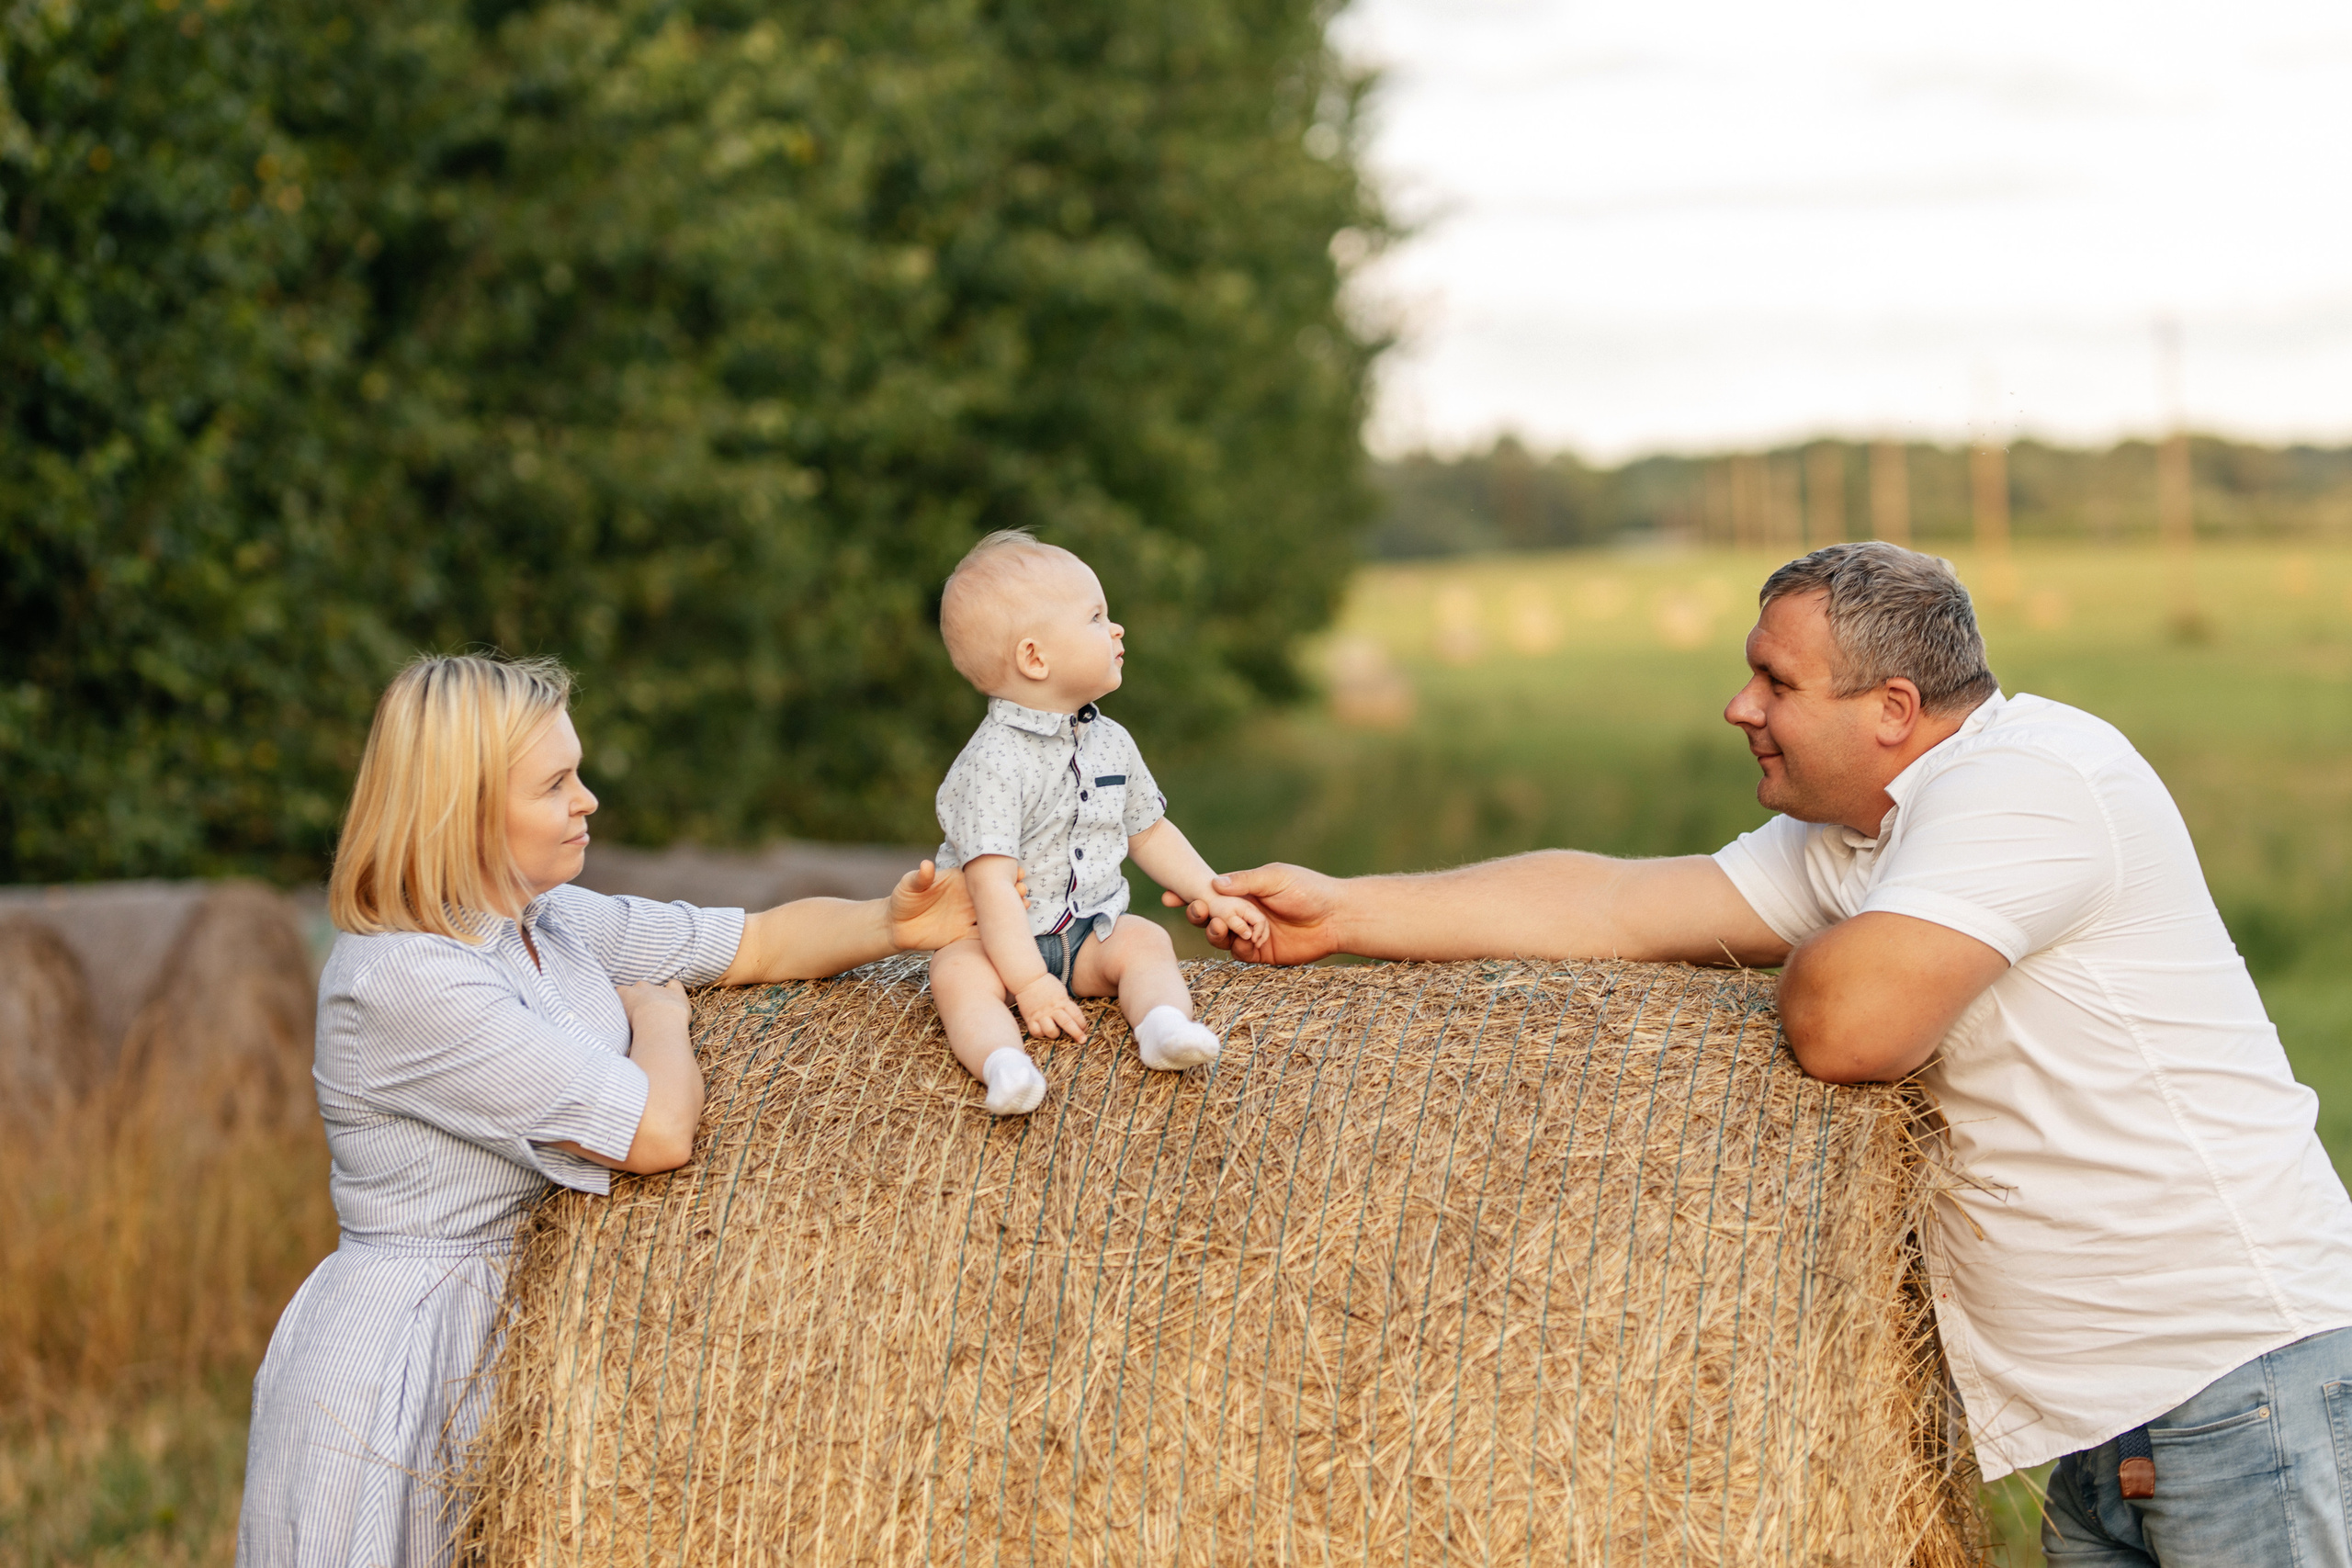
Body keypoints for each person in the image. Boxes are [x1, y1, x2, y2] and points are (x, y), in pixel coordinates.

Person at [1179, 542, 2352, 1566]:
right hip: (2116, 1421)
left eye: (1775, 681)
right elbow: (1616, 906)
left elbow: (1848, 1028)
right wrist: (1348, 911)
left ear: (1891, 707)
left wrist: (1807, 957)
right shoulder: (1863, 832)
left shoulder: (2027, 784)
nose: (1740, 706)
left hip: (2241, 1384)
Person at [236, 653, 983, 1568]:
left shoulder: (547, 921)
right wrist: (661, 1019)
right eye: (555, 784)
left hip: (525, 1331)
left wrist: (893, 924)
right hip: (407, 1365)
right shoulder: (406, 977)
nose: (587, 800)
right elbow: (655, 1132)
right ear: (463, 809)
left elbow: (752, 941)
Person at [925, 530, 1268, 1114]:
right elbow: (991, 886)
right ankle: (1004, 1065)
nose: (1117, 629)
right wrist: (1029, 983)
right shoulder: (992, 762)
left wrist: (1211, 892)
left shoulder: (1111, 741)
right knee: (955, 976)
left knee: (1148, 941)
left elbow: (1148, 832)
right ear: (1035, 659)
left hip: (1087, 934)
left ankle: (1162, 1026)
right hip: (994, 945)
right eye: (1096, 617)